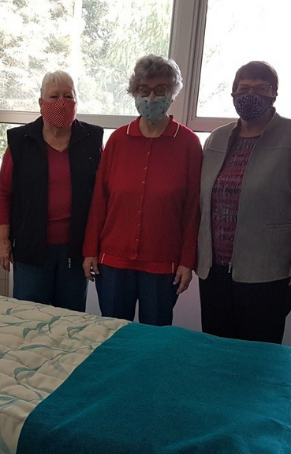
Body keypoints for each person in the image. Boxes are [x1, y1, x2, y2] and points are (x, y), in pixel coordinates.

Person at [197, 61, 291, 344]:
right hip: (214, 271)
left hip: (268, 272)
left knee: (258, 355)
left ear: (274, 94)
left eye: (261, 88)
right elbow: (202, 200)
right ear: (232, 93)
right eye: (243, 88)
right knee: (215, 350)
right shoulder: (217, 138)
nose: (250, 95)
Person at [82, 54, 202, 326]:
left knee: (154, 342)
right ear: (133, 93)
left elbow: (193, 208)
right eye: (143, 90)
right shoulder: (118, 140)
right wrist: (90, 250)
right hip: (112, 262)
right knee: (112, 334)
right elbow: (100, 199)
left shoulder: (188, 143)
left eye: (161, 90)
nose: (151, 98)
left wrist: (187, 261)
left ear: (173, 93)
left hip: (163, 265)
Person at [0, 70, 104, 312]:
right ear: (41, 103)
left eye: (68, 96)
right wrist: (3, 242)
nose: (62, 103)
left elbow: (101, 196)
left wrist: (95, 247)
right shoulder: (20, 141)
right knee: (29, 319)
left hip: (76, 250)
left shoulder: (92, 139)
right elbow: (3, 194)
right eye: (54, 97)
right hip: (31, 249)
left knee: (70, 321)